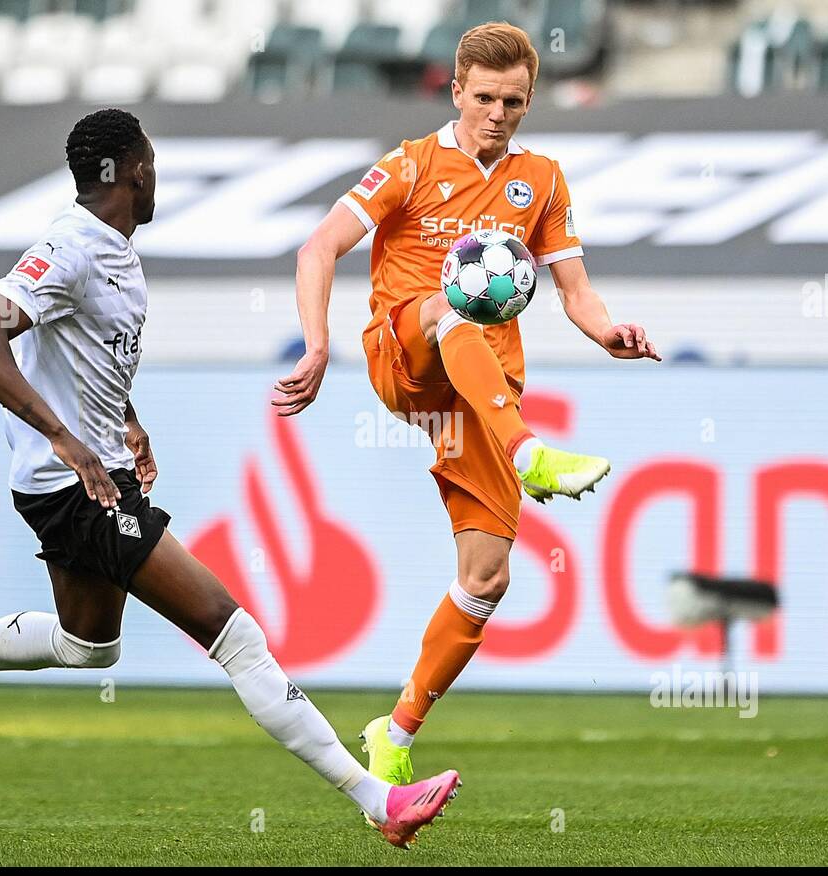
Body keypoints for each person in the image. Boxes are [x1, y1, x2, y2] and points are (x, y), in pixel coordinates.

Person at [0, 108, 458, 849]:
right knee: (232, 632)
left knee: (89, 647)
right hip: (80, 489)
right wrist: (67, 440)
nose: (155, 176)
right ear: (134, 171)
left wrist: (124, 420)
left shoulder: (112, 247)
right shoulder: (70, 246)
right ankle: (378, 799)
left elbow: (83, 351)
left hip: (90, 480)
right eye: (152, 165)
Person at [280, 23, 661, 793]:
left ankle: (397, 729)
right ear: (456, 91)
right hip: (406, 354)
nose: (496, 113)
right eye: (483, 97)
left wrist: (609, 332)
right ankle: (533, 454)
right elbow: (317, 248)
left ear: (528, 101)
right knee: (454, 304)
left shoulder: (543, 181)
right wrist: (317, 345)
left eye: (512, 101)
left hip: (481, 398)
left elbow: (575, 290)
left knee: (487, 579)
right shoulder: (409, 166)